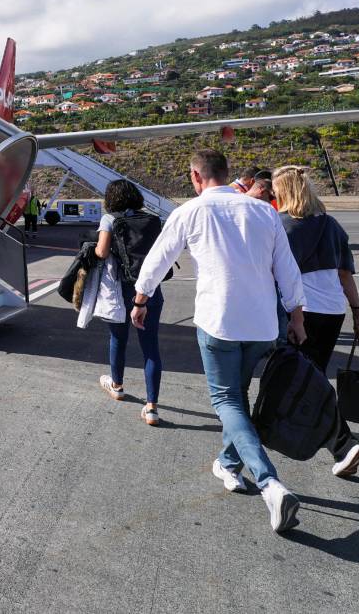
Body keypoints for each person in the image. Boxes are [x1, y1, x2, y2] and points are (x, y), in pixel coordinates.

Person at [132, 149, 308, 533]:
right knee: (238, 397)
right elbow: (288, 269)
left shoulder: (190, 212)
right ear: (227, 174)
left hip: (219, 323)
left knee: (226, 400)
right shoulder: (264, 212)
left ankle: (270, 483)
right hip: (262, 326)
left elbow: (158, 259)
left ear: (196, 177)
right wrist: (296, 315)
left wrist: (141, 298)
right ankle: (228, 465)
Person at [273, 165, 359, 478]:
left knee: (298, 379)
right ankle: (333, 441)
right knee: (311, 375)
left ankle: (343, 443)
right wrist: (358, 310)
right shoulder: (332, 225)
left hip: (300, 312)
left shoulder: (280, 225)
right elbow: (345, 273)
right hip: (333, 310)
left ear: (284, 192)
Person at [92, 179, 165, 426]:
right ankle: (152, 406)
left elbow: (101, 252)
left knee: (118, 339)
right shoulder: (152, 219)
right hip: (151, 289)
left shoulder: (110, 219)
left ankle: (117, 385)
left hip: (122, 289)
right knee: (150, 347)